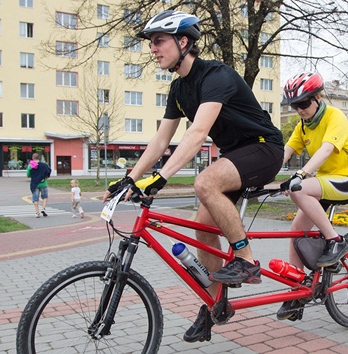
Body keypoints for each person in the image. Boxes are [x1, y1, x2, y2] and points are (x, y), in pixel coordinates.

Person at [102, 10, 284, 342]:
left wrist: (162, 177)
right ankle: (214, 306)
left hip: (263, 148)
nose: (153, 49)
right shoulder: (178, 89)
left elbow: (198, 132)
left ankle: (245, 259)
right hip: (234, 157)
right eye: (151, 43)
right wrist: (131, 177)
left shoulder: (217, 75)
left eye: (159, 41)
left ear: (183, 42)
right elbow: (160, 140)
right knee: (203, 232)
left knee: (205, 182)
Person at [276, 72, 348, 320]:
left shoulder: (335, 116)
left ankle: (335, 241)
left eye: (304, 103)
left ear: (317, 97)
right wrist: (261, 176)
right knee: (296, 233)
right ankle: (297, 292)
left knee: (299, 188)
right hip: (324, 184)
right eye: (294, 105)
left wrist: (302, 174)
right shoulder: (303, 125)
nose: (299, 110)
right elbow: (286, 150)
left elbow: (327, 149)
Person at [27, 153, 51, 218]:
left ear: (33, 158)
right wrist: (45, 177)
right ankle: (43, 208)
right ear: (39, 158)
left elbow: (28, 175)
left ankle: (37, 213)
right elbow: (48, 172)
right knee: (45, 197)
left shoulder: (31, 166)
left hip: (35, 184)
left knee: (35, 198)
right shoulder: (44, 165)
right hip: (43, 184)